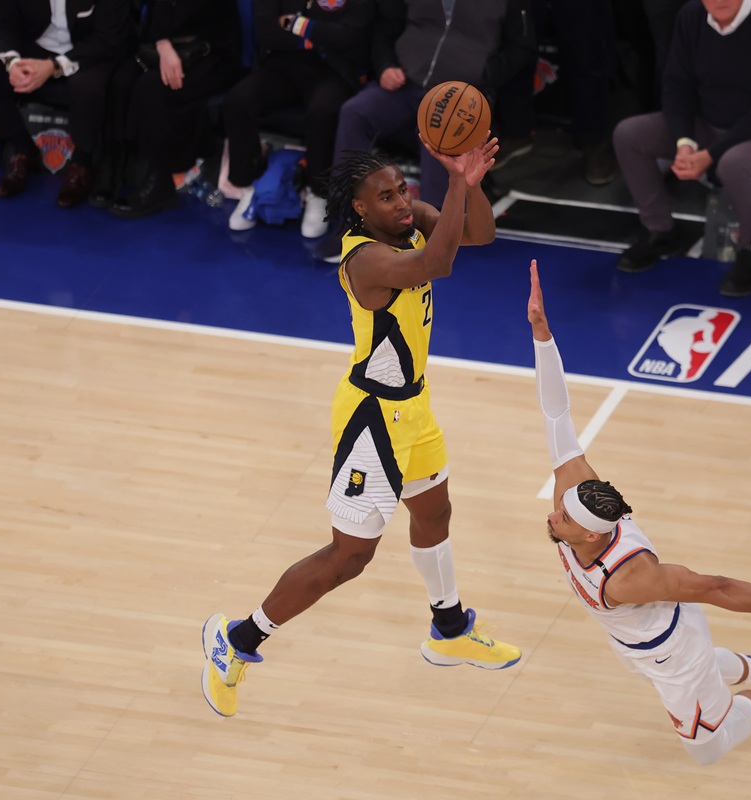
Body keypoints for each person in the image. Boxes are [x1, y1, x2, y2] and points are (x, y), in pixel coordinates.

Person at [201, 137, 521, 718]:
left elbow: (480, 235)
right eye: (386, 196)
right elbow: (439, 263)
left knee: (434, 513)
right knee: (349, 557)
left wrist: (468, 183)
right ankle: (239, 639)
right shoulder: (365, 260)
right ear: (359, 210)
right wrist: (453, 185)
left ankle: (448, 628)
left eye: (402, 189)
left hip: (414, 407)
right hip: (372, 418)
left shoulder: (412, 221)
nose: (401, 201)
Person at [524, 260, 751, 764]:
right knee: (703, 671)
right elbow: (555, 410)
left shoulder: (632, 578)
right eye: (559, 510)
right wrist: (542, 333)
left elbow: (716, 588)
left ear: (590, 538)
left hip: (670, 647)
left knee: (707, 747)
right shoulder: (576, 490)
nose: (552, 516)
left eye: (563, 520)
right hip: (635, 640)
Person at [611, 0, 751, 296]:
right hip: (705, 123)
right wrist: (684, 143)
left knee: (733, 163)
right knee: (629, 134)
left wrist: (711, 155)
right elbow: (676, 84)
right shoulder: (691, 17)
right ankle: (660, 230)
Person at [331, 0, 536, 210]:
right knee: (355, 112)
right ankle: (345, 210)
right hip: (405, 83)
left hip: (460, 94)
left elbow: (521, 48)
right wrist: (386, 65)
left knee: (441, 132)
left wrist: (483, 74)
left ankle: (437, 224)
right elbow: (385, 27)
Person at [223, 0, 375, 235]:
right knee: (237, 101)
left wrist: (295, 25)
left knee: (322, 112)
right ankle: (249, 186)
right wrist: (314, 36)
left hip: (332, 69)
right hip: (281, 65)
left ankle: (318, 193)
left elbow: (348, 37)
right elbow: (266, 32)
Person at [0, 0, 132, 207]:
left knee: (87, 86)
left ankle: (81, 165)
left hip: (87, 50)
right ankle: (24, 152)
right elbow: (2, 25)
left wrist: (55, 66)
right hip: (34, 46)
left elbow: (109, 39)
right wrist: (13, 63)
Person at [105, 0, 243, 219]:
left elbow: (204, 19)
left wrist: (167, 46)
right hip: (168, 46)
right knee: (122, 79)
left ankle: (160, 182)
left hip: (211, 52)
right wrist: (162, 44)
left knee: (152, 86)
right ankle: (111, 170)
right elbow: (154, 13)